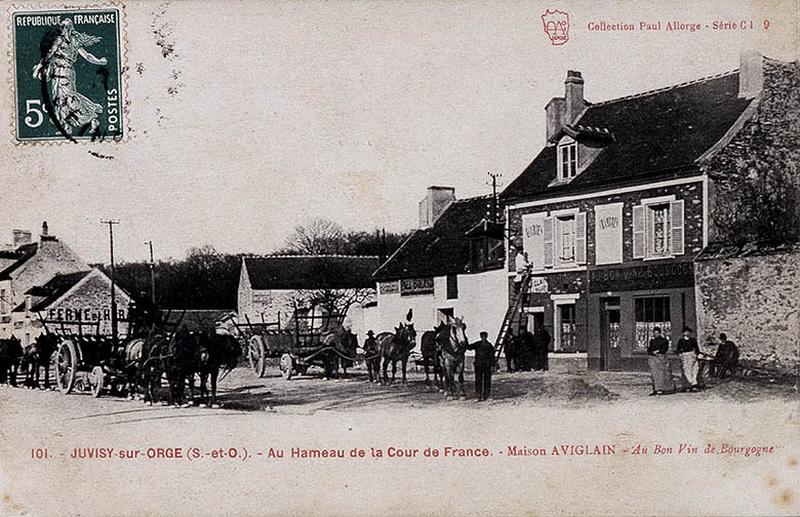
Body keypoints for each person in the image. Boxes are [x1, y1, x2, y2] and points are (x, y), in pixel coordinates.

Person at [467, 331, 495, 401]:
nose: (483, 338)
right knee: (479, 381)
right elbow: (469, 347)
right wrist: (465, 340)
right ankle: (479, 395)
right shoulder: (478, 344)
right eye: (482, 336)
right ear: (481, 337)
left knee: (486, 381)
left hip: (486, 365)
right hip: (479, 365)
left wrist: (492, 365)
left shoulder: (489, 346)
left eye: (484, 336)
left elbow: (492, 357)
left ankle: (485, 396)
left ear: (486, 337)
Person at [647, 327, 674, 395]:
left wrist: (658, 351)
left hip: (662, 358)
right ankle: (656, 388)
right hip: (653, 359)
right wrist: (652, 352)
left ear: (660, 333)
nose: (656, 334)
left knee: (663, 374)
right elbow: (649, 349)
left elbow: (665, 349)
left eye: (657, 333)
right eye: (655, 333)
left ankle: (665, 388)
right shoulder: (652, 341)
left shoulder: (664, 340)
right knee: (654, 374)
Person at [676, 326, 701, 392]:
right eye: (685, 332)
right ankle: (688, 385)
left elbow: (696, 348)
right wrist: (680, 354)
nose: (687, 333)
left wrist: (697, 355)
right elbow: (678, 349)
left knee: (694, 370)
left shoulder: (693, 340)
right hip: (685, 356)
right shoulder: (681, 341)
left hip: (692, 355)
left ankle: (694, 385)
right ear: (683, 333)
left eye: (688, 332)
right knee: (687, 371)